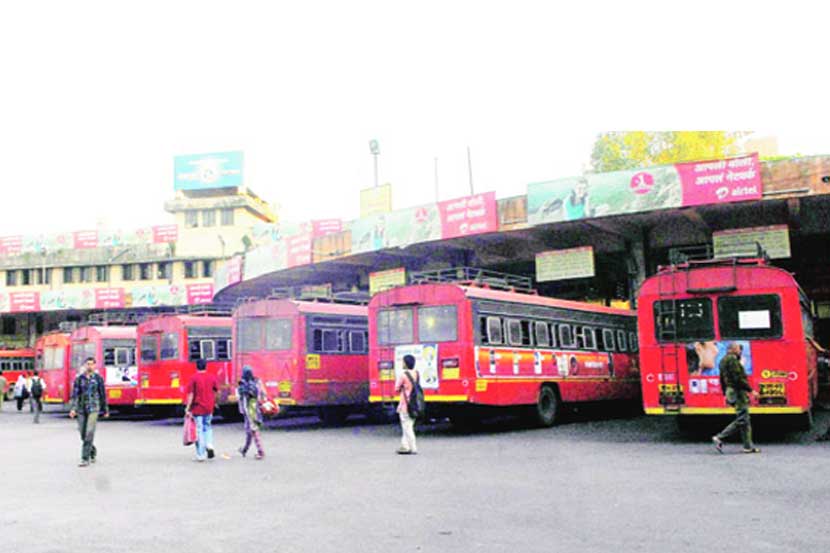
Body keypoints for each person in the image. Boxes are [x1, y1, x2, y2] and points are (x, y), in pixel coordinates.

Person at [712, 342, 760, 454]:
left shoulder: (723, 361)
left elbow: (722, 379)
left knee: (745, 419)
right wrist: (751, 390)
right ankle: (720, 437)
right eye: (739, 348)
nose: (740, 350)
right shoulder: (732, 360)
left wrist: (725, 394)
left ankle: (748, 446)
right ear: (733, 349)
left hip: (730, 390)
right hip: (737, 391)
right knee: (742, 418)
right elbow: (738, 378)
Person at [69, 357, 110, 467]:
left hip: (94, 408)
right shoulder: (79, 379)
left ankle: (84, 458)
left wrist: (105, 409)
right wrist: (73, 409)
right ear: (85, 365)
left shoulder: (98, 379)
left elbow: (102, 395)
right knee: (83, 433)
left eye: (92, 364)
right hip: (81, 409)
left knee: (89, 432)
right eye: (88, 364)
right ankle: (92, 450)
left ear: (95, 366)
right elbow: (75, 395)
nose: (89, 366)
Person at [184, 359, 217, 462]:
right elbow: (215, 391)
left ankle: (201, 454)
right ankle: (209, 444)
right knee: (207, 427)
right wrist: (213, 402)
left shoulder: (193, 378)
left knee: (199, 430)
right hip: (209, 407)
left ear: (196, 366)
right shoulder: (211, 377)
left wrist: (188, 407)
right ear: (206, 366)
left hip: (198, 408)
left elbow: (191, 394)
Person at [237, 366, 266, 460]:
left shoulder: (242, 385)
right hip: (255, 408)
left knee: (253, 430)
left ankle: (261, 451)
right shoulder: (257, 382)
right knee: (249, 431)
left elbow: (242, 400)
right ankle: (244, 449)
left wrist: (246, 413)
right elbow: (263, 394)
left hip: (248, 410)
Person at [394, 354, 419, 455]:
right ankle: (404, 446)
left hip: (405, 404)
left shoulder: (403, 375)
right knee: (408, 425)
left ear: (406, 363)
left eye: (403, 361)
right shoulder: (416, 373)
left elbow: (396, 389)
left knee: (407, 427)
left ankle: (413, 448)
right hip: (414, 403)